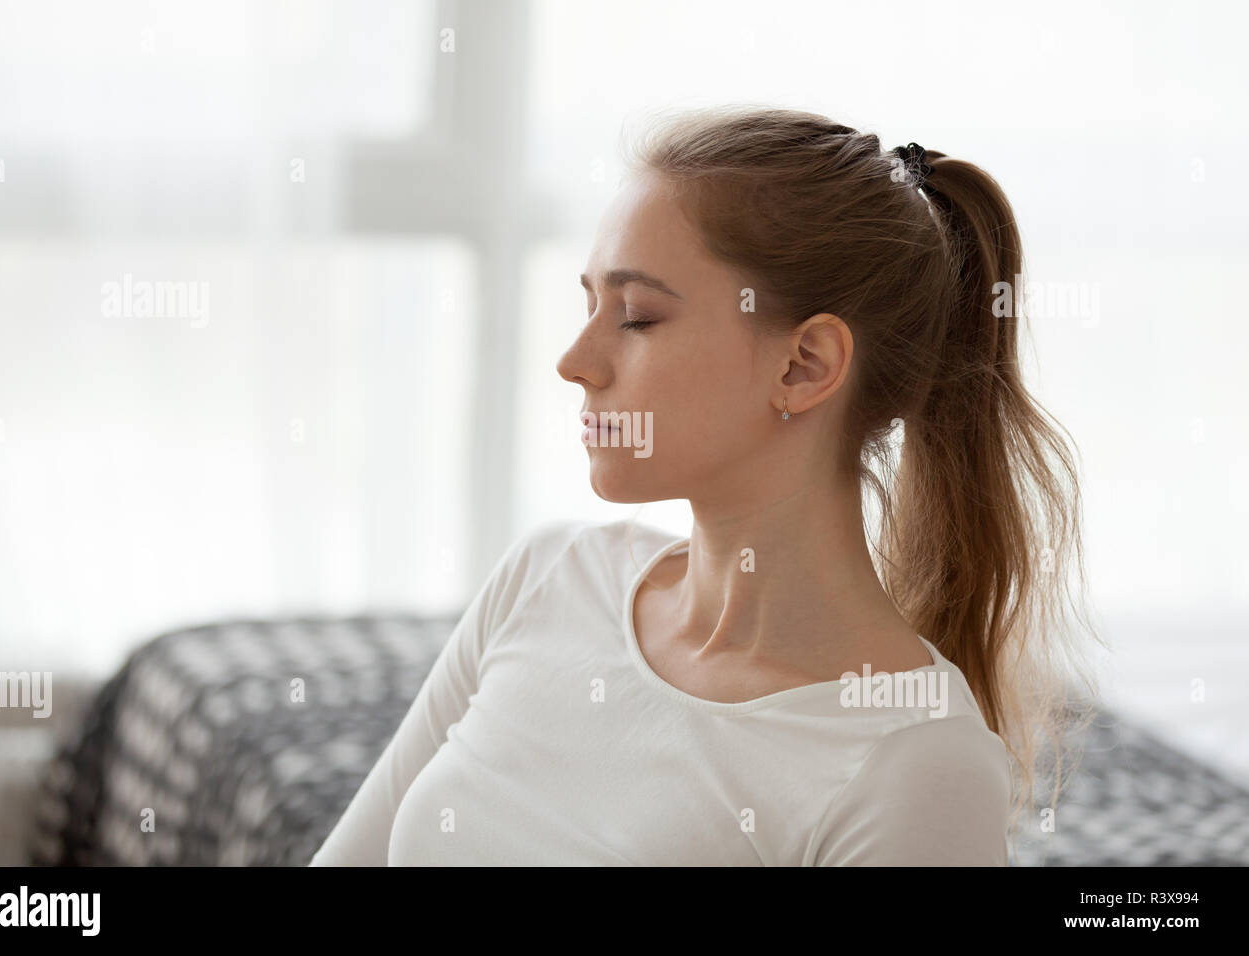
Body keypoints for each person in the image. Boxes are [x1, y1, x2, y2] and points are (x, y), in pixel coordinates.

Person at [310, 106, 1099, 866]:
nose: (575, 361)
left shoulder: (917, 766)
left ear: (805, 366)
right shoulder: (547, 578)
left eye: (638, 317)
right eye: (589, 304)